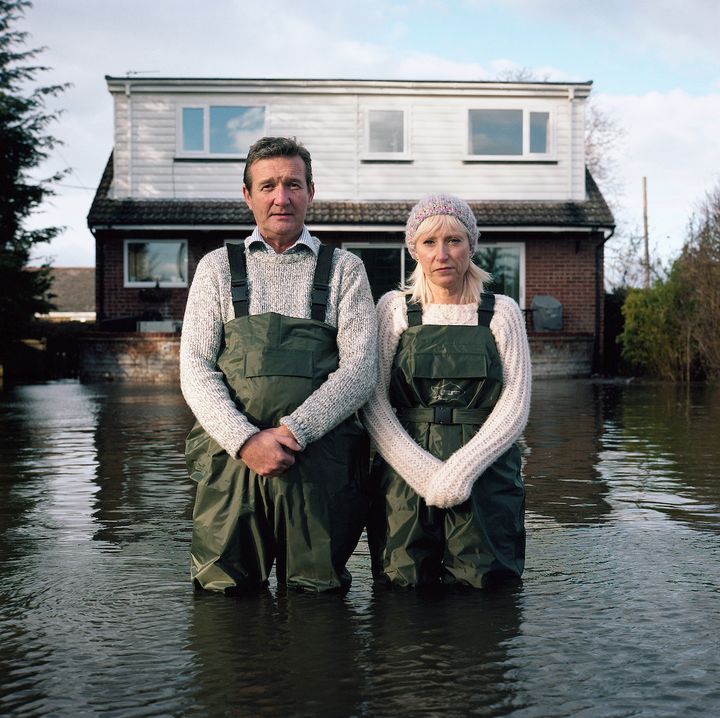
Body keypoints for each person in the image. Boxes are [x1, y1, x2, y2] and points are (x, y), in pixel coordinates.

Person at [181, 136, 378, 594]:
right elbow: (194, 367)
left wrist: (293, 433)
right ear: (247, 195)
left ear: (311, 191)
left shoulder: (346, 269)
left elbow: (361, 370)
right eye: (267, 185)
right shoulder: (216, 268)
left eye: (293, 184)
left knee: (318, 601)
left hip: (319, 466)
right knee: (223, 599)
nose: (281, 197)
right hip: (232, 465)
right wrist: (246, 440)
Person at [362, 194, 531, 589]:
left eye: (454, 240)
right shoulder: (393, 309)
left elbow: (516, 404)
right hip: (403, 475)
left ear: (471, 246)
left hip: (486, 473)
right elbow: (373, 401)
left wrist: (462, 471)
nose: (443, 254)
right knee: (402, 588)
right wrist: (423, 472)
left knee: (485, 589)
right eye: (429, 242)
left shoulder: (501, 312)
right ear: (414, 250)